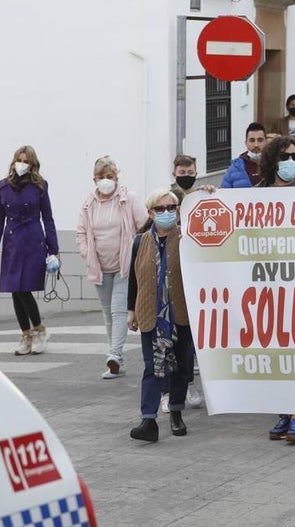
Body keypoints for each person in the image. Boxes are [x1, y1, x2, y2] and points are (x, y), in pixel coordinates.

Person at [255, 137, 295, 444]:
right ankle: (284, 411)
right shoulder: (256, 195)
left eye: (294, 156)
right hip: (270, 286)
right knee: (277, 352)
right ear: (271, 161)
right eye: (283, 157)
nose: (289, 161)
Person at [126, 189, 194, 443]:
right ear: (150, 213)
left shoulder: (188, 237)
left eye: (171, 208)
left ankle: (176, 411)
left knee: (181, 366)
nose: (166, 213)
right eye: (159, 209)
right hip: (150, 312)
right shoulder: (140, 241)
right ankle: (148, 419)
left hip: (181, 312)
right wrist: (131, 309)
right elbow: (133, 278)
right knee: (152, 367)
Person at [75, 155, 147, 379]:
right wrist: (87, 254)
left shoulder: (128, 199)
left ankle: (114, 355)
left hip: (124, 266)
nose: (105, 180)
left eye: (110, 176)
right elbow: (81, 233)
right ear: (94, 179)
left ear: (117, 177)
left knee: (118, 312)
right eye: (101, 177)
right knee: (108, 314)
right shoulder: (88, 204)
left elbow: (143, 226)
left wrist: (137, 255)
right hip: (99, 267)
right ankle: (117, 360)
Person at [0, 146, 59, 357]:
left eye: (25, 161)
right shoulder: (3, 187)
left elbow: (48, 219)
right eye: (19, 159)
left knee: (23, 288)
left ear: (32, 164)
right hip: (12, 243)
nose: (21, 164)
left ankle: (38, 330)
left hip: (33, 242)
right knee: (14, 290)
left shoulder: (40, 186)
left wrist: (53, 250)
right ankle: (26, 334)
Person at [220, 123, 266, 188]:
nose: (256, 145)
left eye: (260, 140)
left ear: (265, 142)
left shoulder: (276, 166)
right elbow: (223, 194)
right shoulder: (234, 169)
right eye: (252, 140)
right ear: (246, 143)